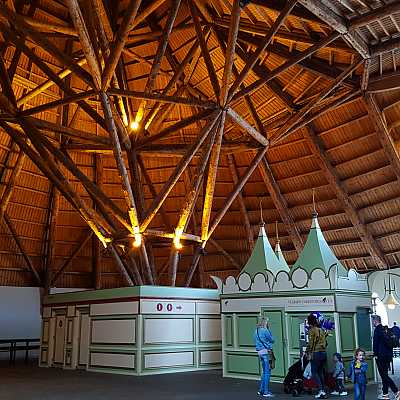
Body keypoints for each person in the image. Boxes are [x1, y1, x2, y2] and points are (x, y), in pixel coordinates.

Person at [372, 315, 400, 400]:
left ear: (375, 321)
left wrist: (375, 354)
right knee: (385, 375)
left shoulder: (377, 330)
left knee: (384, 375)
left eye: (372, 321)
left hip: (381, 356)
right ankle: (385, 394)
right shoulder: (385, 329)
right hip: (388, 356)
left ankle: (396, 391)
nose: (372, 322)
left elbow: (375, 343)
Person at [306, 313, 328, 399]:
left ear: (309, 322)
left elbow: (311, 343)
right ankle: (323, 390)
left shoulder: (312, 330)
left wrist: (308, 351)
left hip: (316, 353)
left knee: (314, 372)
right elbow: (325, 342)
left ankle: (321, 390)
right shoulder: (321, 330)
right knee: (320, 372)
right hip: (323, 353)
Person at [254, 318, 275, 398]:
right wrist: (269, 330)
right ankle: (266, 391)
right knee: (267, 372)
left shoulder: (256, 331)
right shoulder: (265, 330)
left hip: (260, 352)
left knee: (264, 372)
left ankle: (261, 390)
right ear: (265, 323)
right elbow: (272, 340)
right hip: (266, 352)